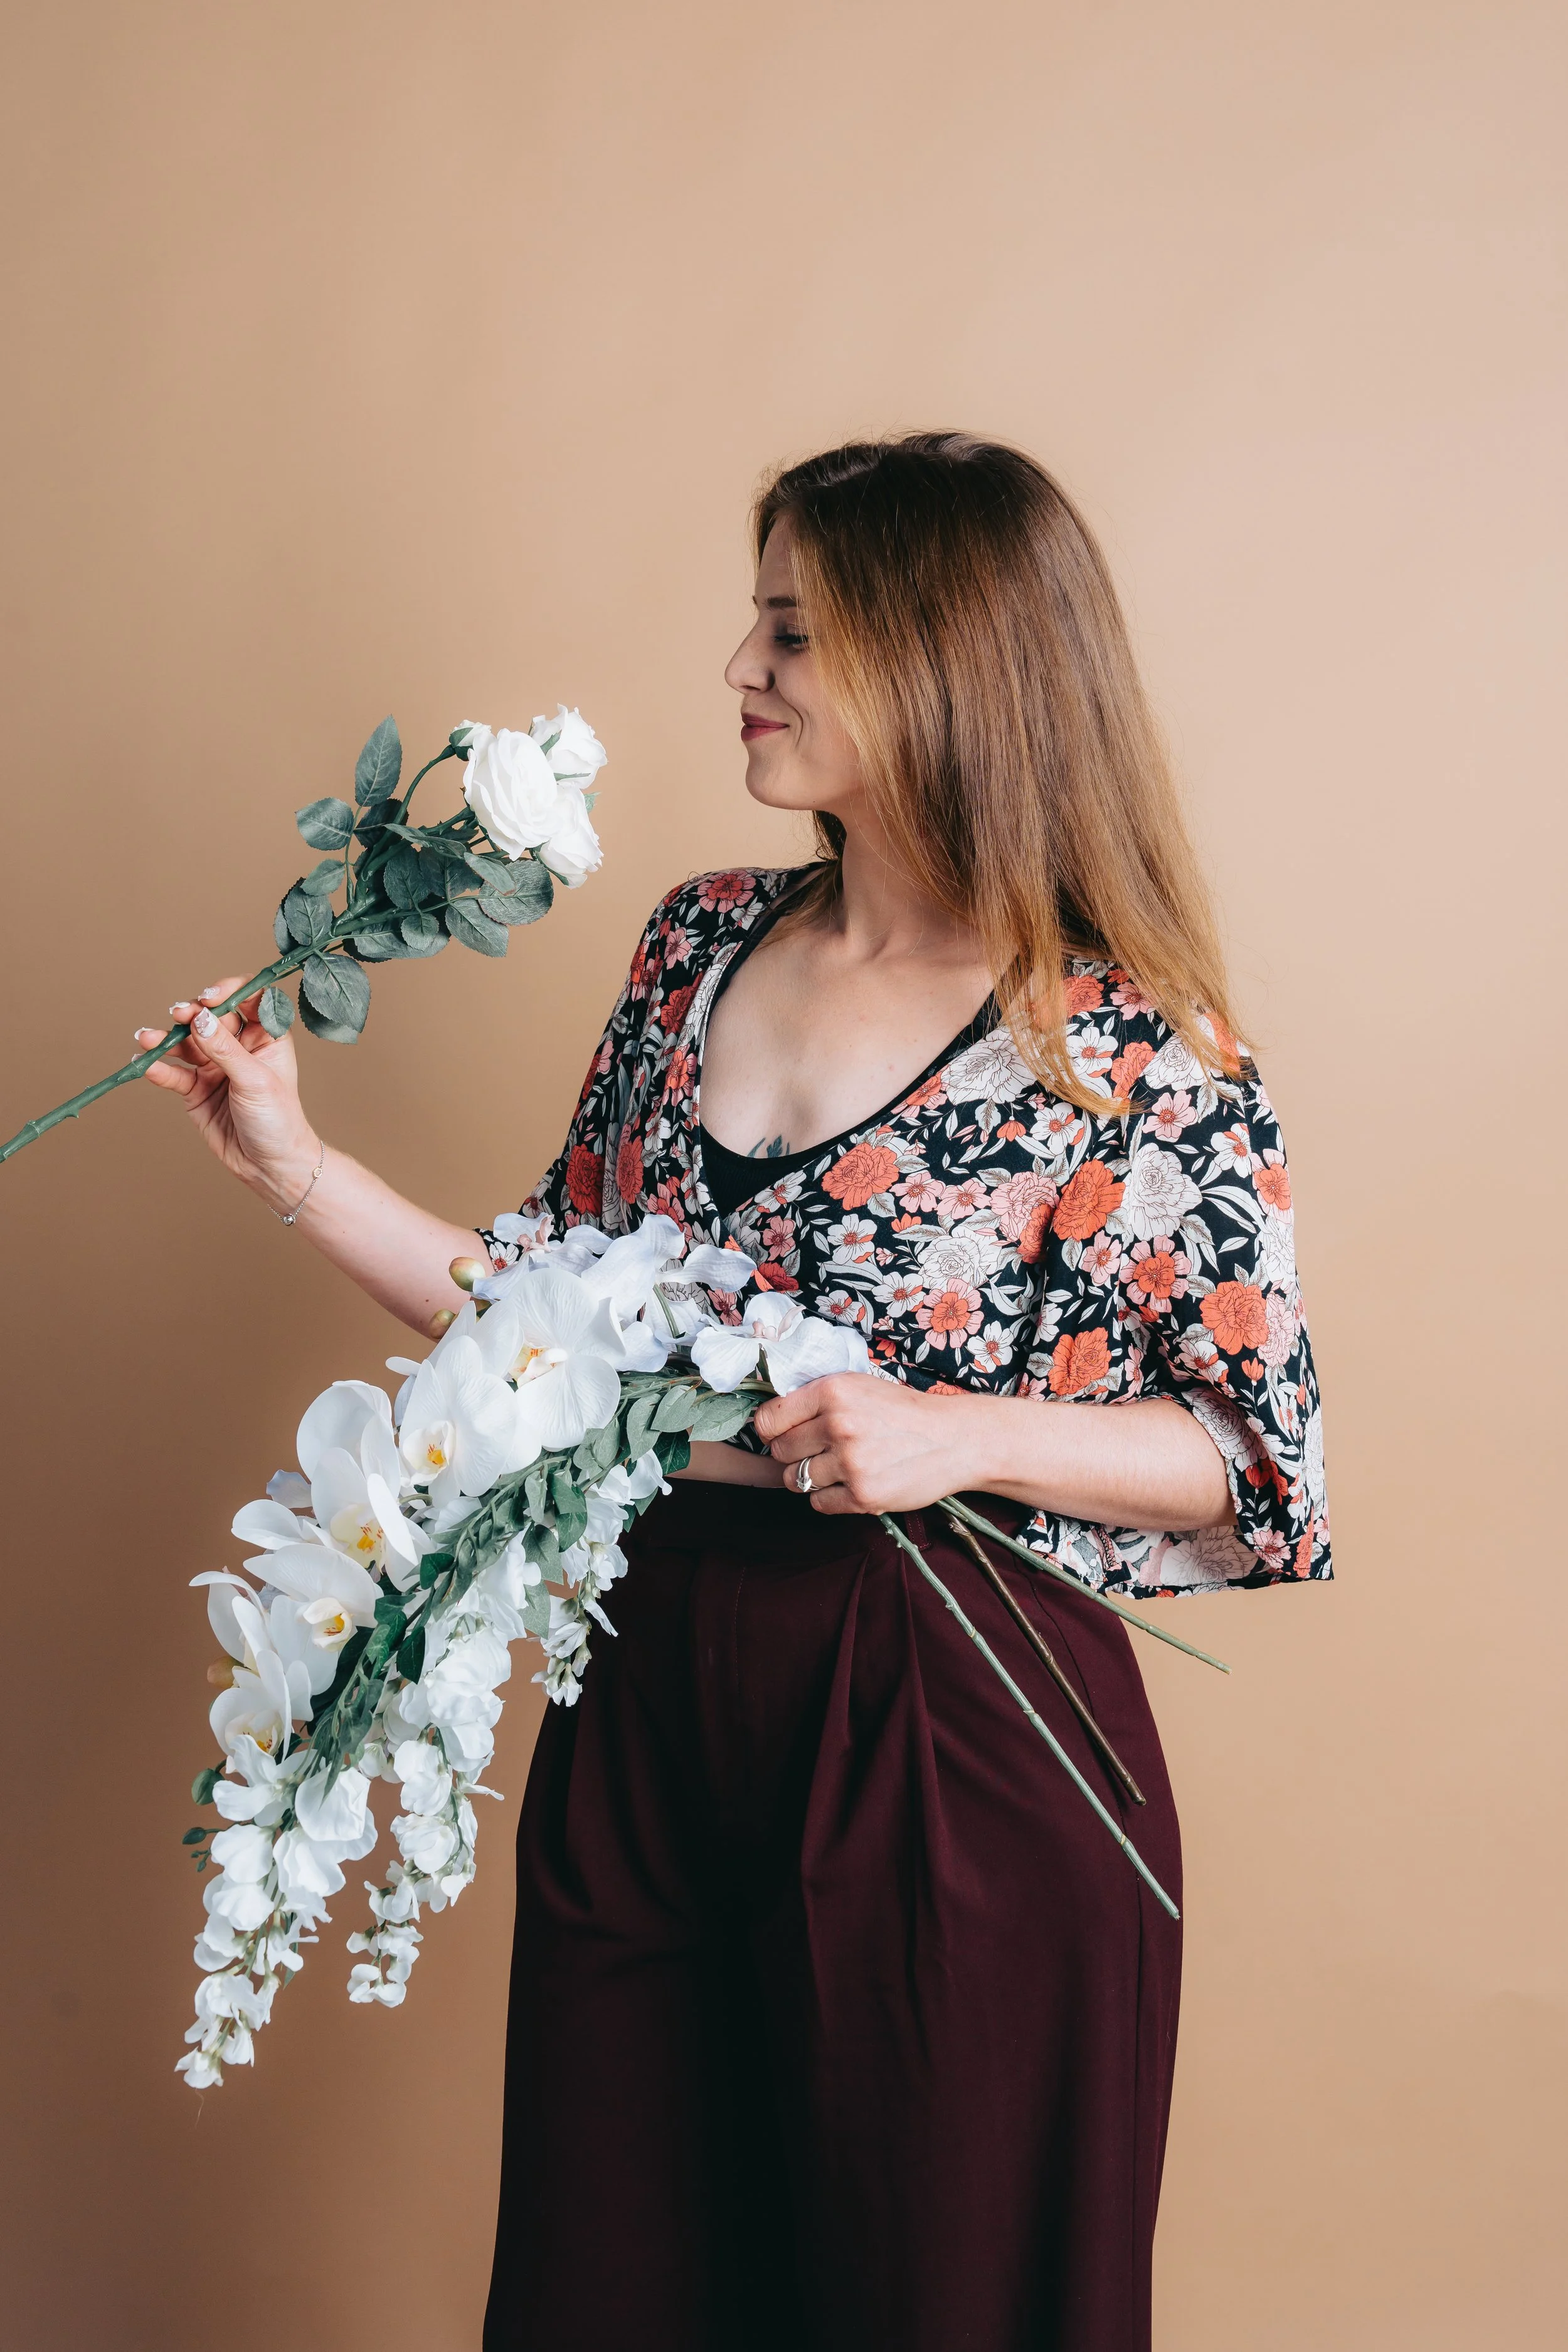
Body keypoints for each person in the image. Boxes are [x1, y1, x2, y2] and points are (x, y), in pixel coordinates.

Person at [139, 433, 1328, 2352]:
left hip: (953, 1716)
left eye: (791, 627)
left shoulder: (1118, 1037)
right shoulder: (696, 939)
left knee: (934, 2295)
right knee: (624, 2275)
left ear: (939, 661)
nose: (737, 668)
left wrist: (959, 1432)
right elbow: (549, 1331)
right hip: (655, 1686)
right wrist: (289, 1156)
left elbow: (1257, 1456)